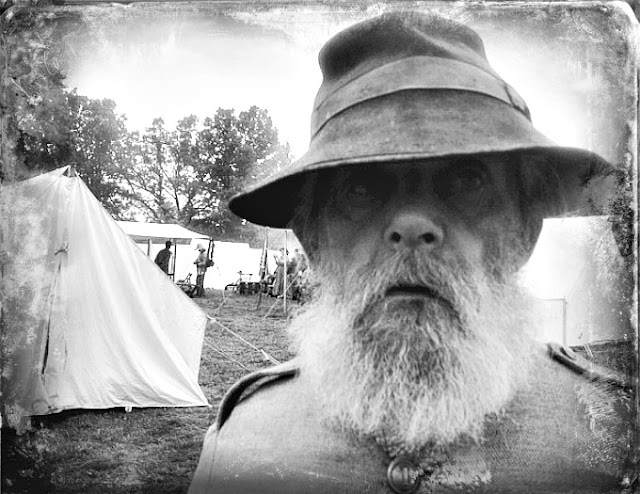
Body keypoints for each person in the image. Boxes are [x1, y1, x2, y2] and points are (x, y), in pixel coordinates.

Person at [189, 12, 631, 493]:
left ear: (523, 234)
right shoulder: (244, 440)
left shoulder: (613, 439)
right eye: (361, 189)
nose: (413, 225)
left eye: (468, 181)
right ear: (314, 241)